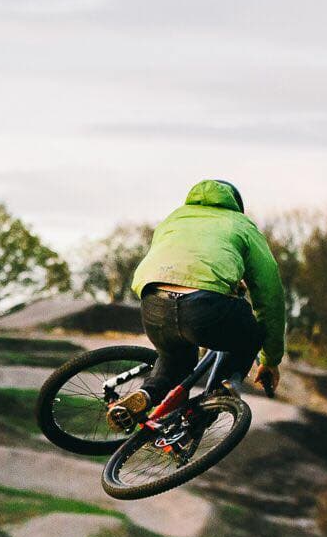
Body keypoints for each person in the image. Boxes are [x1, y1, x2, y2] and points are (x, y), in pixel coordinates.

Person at [107, 179, 286, 430]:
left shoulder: (175, 218)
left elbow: (185, 261)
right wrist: (270, 359)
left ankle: (145, 395)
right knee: (253, 331)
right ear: (236, 204)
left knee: (174, 364)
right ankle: (224, 388)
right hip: (204, 308)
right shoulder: (242, 224)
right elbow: (270, 295)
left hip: (154, 302)